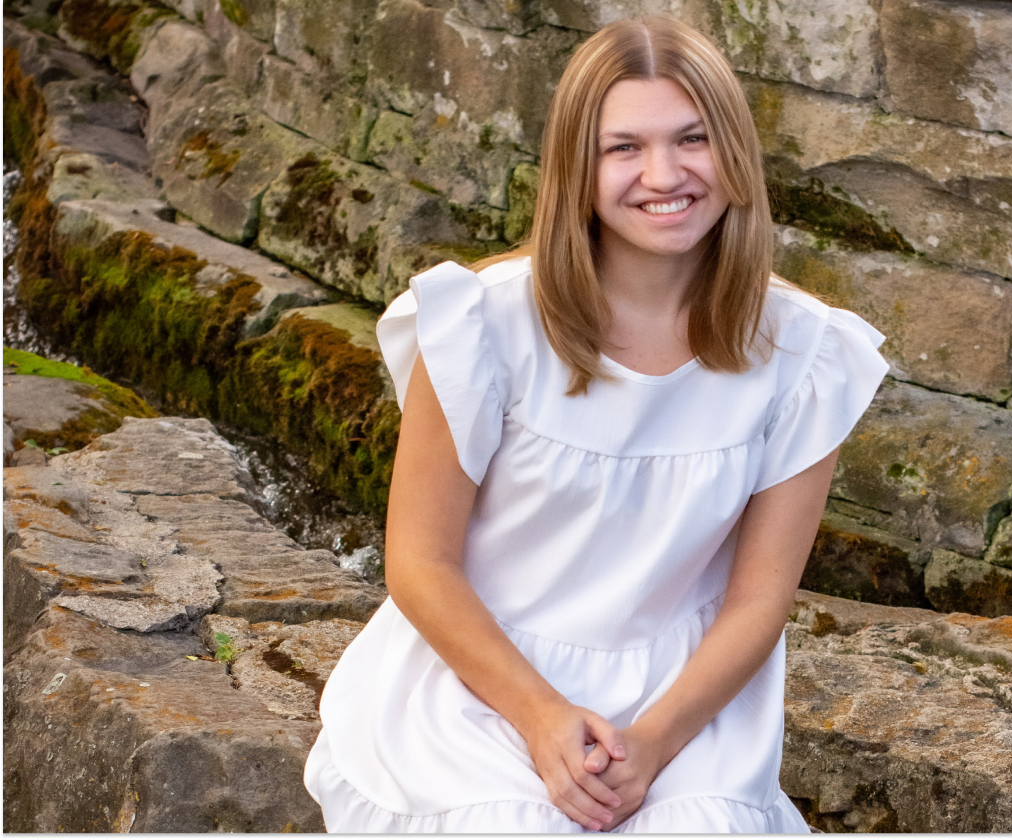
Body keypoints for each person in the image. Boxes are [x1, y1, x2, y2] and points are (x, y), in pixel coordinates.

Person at [304, 16, 888, 832]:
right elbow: (418, 562)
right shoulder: (483, 324)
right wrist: (541, 717)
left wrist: (652, 744)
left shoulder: (803, 350)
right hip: (481, 680)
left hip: (679, 696)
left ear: (735, 154)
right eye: (624, 148)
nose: (664, 173)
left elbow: (759, 600)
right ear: (577, 168)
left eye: (693, 139)